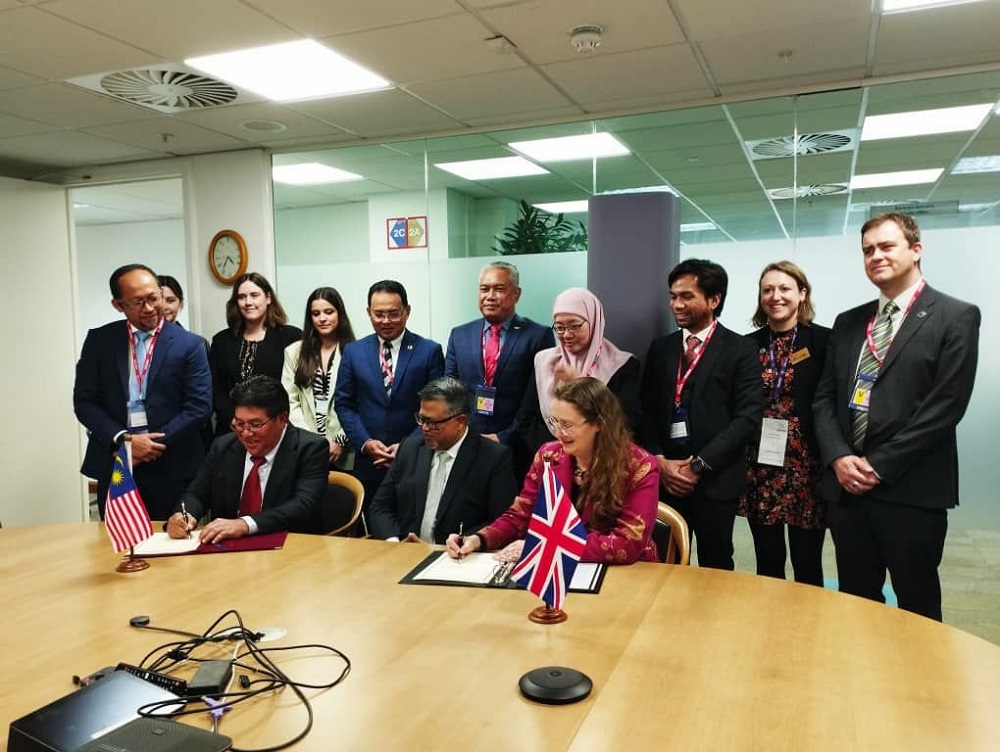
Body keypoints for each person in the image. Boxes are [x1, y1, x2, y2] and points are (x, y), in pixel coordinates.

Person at [813, 213, 980, 621]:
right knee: (857, 601)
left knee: (917, 607)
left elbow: (945, 408)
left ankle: (922, 685)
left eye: (886, 246)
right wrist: (838, 458)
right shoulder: (849, 322)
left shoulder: (955, 316)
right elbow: (824, 399)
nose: (875, 256)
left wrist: (877, 465)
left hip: (911, 491)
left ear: (915, 250)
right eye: (868, 250)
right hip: (849, 493)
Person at [448, 377, 659, 564]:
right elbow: (520, 516)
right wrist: (478, 539)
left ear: (599, 424)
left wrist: (544, 547)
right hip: (559, 569)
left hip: (627, 576)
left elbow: (626, 545)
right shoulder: (548, 456)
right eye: (554, 421)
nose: (559, 433)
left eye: (567, 424)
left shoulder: (639, 466)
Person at [640, 259, 762, 570]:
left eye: (686, 296)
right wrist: (659, 461)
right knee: (663, 560)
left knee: (716, 564)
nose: (676, 304)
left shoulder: (740, 350)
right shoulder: (661, 349)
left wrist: (698, 466)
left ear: (714, 299)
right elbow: (647, 411)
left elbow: (747, 418)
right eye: (673, 296)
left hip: (715, 480)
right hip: (666, 478)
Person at [74, 264, 212, 520]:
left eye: (153, 298)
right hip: (116, 461)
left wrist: (149, 445)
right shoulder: (100, 341)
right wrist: (125, 441)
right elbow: (85, 402)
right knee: (116, 547)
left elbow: (198, 407)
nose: (149, 308)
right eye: (137, 302)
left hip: (173, 465)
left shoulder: (190, 345)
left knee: (176, 548)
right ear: (118, 304)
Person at [738, 261, 829, 586]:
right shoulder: (746, 345)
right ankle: (770, 626)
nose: (776, 296)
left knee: (808, 563)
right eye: (768, 289)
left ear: (802, 294)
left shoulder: (824, 342)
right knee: (768, 560)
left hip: (807, 466)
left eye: (785, 288)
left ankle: (809, 629)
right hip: (761, 465)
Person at [166, 375, 328, 543]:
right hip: (227, 553)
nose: (246, 433)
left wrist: (245, 524)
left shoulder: (310, 449)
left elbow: (303, 506)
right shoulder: (223, 447)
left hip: (290, 550)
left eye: (255, 425)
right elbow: (197, 494)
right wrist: (184, 516)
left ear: (282, 419)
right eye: (239, 424)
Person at [334, 279, 445, 516]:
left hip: (416, 458)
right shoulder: (354, 352)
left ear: (407, 311)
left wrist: (408, 445)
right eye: (379, 314)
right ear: (368, 313)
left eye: (393, 314)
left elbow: (438, 409)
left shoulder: (429, 351)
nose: (385, 321)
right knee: (373, 529)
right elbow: (344, 403)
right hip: (369, 461)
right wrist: (365, 442)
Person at [367, 377, 518, 544]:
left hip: (456, 559)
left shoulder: (493, 458)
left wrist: (461, 543)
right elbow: (380, 507)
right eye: (421, 419)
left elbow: (501, 522)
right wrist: (394, 542)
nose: (424, 428)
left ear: (460, 421)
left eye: (432, 422)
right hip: (404, 553)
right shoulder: (409, 448)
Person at [445, 261, 553, 477]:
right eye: (484, 289)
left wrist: (504, 436)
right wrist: (464, 433)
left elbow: (535, 398)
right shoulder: (460, 334)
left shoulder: (537, 336)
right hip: (467, 445)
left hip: (517, 448)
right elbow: (451, 390)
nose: (490, 296)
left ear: (516, 294)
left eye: (499, 289)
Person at [517, 288, 641, 461]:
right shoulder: (544, 361)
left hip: (602, 462)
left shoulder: (621, 364)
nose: (566, 334)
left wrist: (581, 384)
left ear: (594, 321)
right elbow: (526, 418)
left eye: (575, 326)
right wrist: (558, 453)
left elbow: (626, 421)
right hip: (551, 462)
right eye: (559, 328)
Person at [209, 272, 301, 437]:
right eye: (242, 297)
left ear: (268, 298)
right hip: (231, 432)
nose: (248, 302)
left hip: (276, 431)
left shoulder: (291, 337)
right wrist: (235, 420)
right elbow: (215, 388)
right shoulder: (221, 341)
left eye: (254, 295)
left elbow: (296, 390)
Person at [282, 287, 357, 471]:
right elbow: (290, 401)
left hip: (345, 450)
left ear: (340, 314)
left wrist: (340, 440)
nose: (322, 318)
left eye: (329, 312)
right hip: (306, 448)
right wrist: (313, 441)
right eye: (316, 313)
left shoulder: (356, 351)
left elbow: (360, 402)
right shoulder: (293, 352)